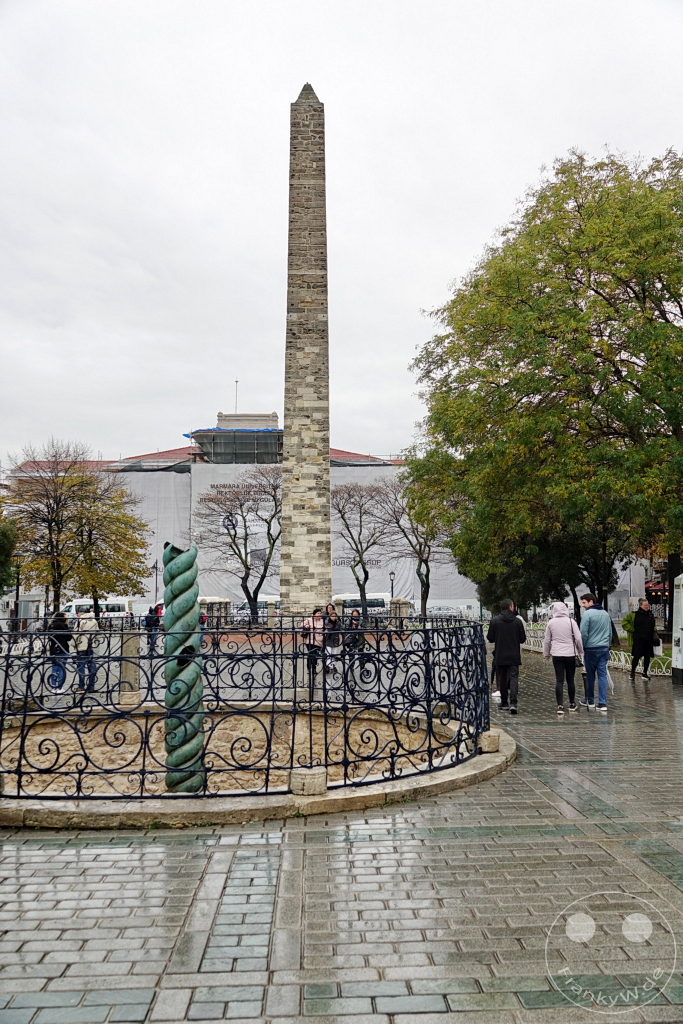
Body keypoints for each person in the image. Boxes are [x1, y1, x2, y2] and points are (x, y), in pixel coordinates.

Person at [543, 602, 584, 714]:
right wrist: (581, 652)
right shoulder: (571, 622)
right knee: (570, 680)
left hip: (557, 654)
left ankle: (560, 706)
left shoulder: (551, 623)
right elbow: (578, 638)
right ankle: (571, 704)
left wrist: (546, 653)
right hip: (570, 654)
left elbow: (547, 640)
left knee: (559, 680)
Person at [487, 599, 526, 714]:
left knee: (502, 678)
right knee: (513, 678)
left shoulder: (495, 621)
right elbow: (522, 639)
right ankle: (513, 703)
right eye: (513, 606)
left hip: (500, 654)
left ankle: (504, 702)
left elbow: (490, 638)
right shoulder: (517, 622)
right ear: (510, 607)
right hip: (514, 654)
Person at [579, 593, 612, 713]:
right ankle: (602, 703)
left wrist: (582, 647)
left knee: (590, 675)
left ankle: (590, 700)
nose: (583, 605)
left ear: (591, 602)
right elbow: (610, 631)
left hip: (591, 648)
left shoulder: (587, 614)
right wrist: (608, 645)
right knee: (602, 675)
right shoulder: (605, 614)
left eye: (584, 602)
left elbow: (583, 633)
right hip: (603, 648)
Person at [630, 598, 658, 681]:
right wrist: (632, 630)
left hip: (648, 639)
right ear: (641, 605)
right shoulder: (635, 614)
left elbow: (653, 625)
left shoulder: (650, 614)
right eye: (645, 605)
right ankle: (632, 672)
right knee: (637, 656)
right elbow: (625, 622)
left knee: (647, 656)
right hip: (639, 639)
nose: (647, 606)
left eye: (647, 605)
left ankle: (645, 673)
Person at [73, 609, 98, 693]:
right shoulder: (94, 621)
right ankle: (91, 686)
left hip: (81, 646)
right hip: (90, 645)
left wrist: (74, 644)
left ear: (80, 614)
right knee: (91, 665)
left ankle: (81, 686)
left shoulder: (81, 621)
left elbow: (76, 634)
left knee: (81, 666)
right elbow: (97, 632)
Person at [47, 611, 72, 693]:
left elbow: (49, 637)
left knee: (54, 668)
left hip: (53, 648)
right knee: (62, 668)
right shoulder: (64, 625)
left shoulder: (51, 626)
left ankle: (53, 687)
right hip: (63, 648)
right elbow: (69, 637)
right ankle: (60, 687)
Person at [301, 608, 325, 694]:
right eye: (318, 613)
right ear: (314, 614)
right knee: (310, 654)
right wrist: (306, 626)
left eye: (320, 613)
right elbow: (301, 625)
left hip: (319, 641)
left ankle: (314, 668)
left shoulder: (322, 621)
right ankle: (308, 668)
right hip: (310, 640)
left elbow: (325, 629)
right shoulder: (309, 620)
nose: (319, 614)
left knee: (316, 655)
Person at [323, 606, 343, 683]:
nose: (334, 617)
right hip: (328, 640)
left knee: (334, 654)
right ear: (330, 616)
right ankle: (328, 666)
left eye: (335, 616)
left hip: (335, 640)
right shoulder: (327, 622)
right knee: (328, 653)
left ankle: (333, 666)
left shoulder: (338, 622)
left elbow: (340, 630)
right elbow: (328, 629)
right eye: (332, 616)